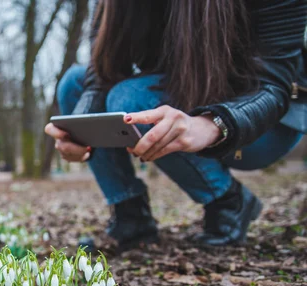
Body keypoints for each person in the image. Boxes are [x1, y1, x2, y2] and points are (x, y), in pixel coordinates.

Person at [45, 0, 307, 251]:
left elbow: (274, 88)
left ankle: (229, 203)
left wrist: (213, 124)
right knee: (74, 84)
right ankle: (131, 215)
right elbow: (101, 75)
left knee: (131, 99)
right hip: (184, 95)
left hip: (264, 125)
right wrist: (79, 132)